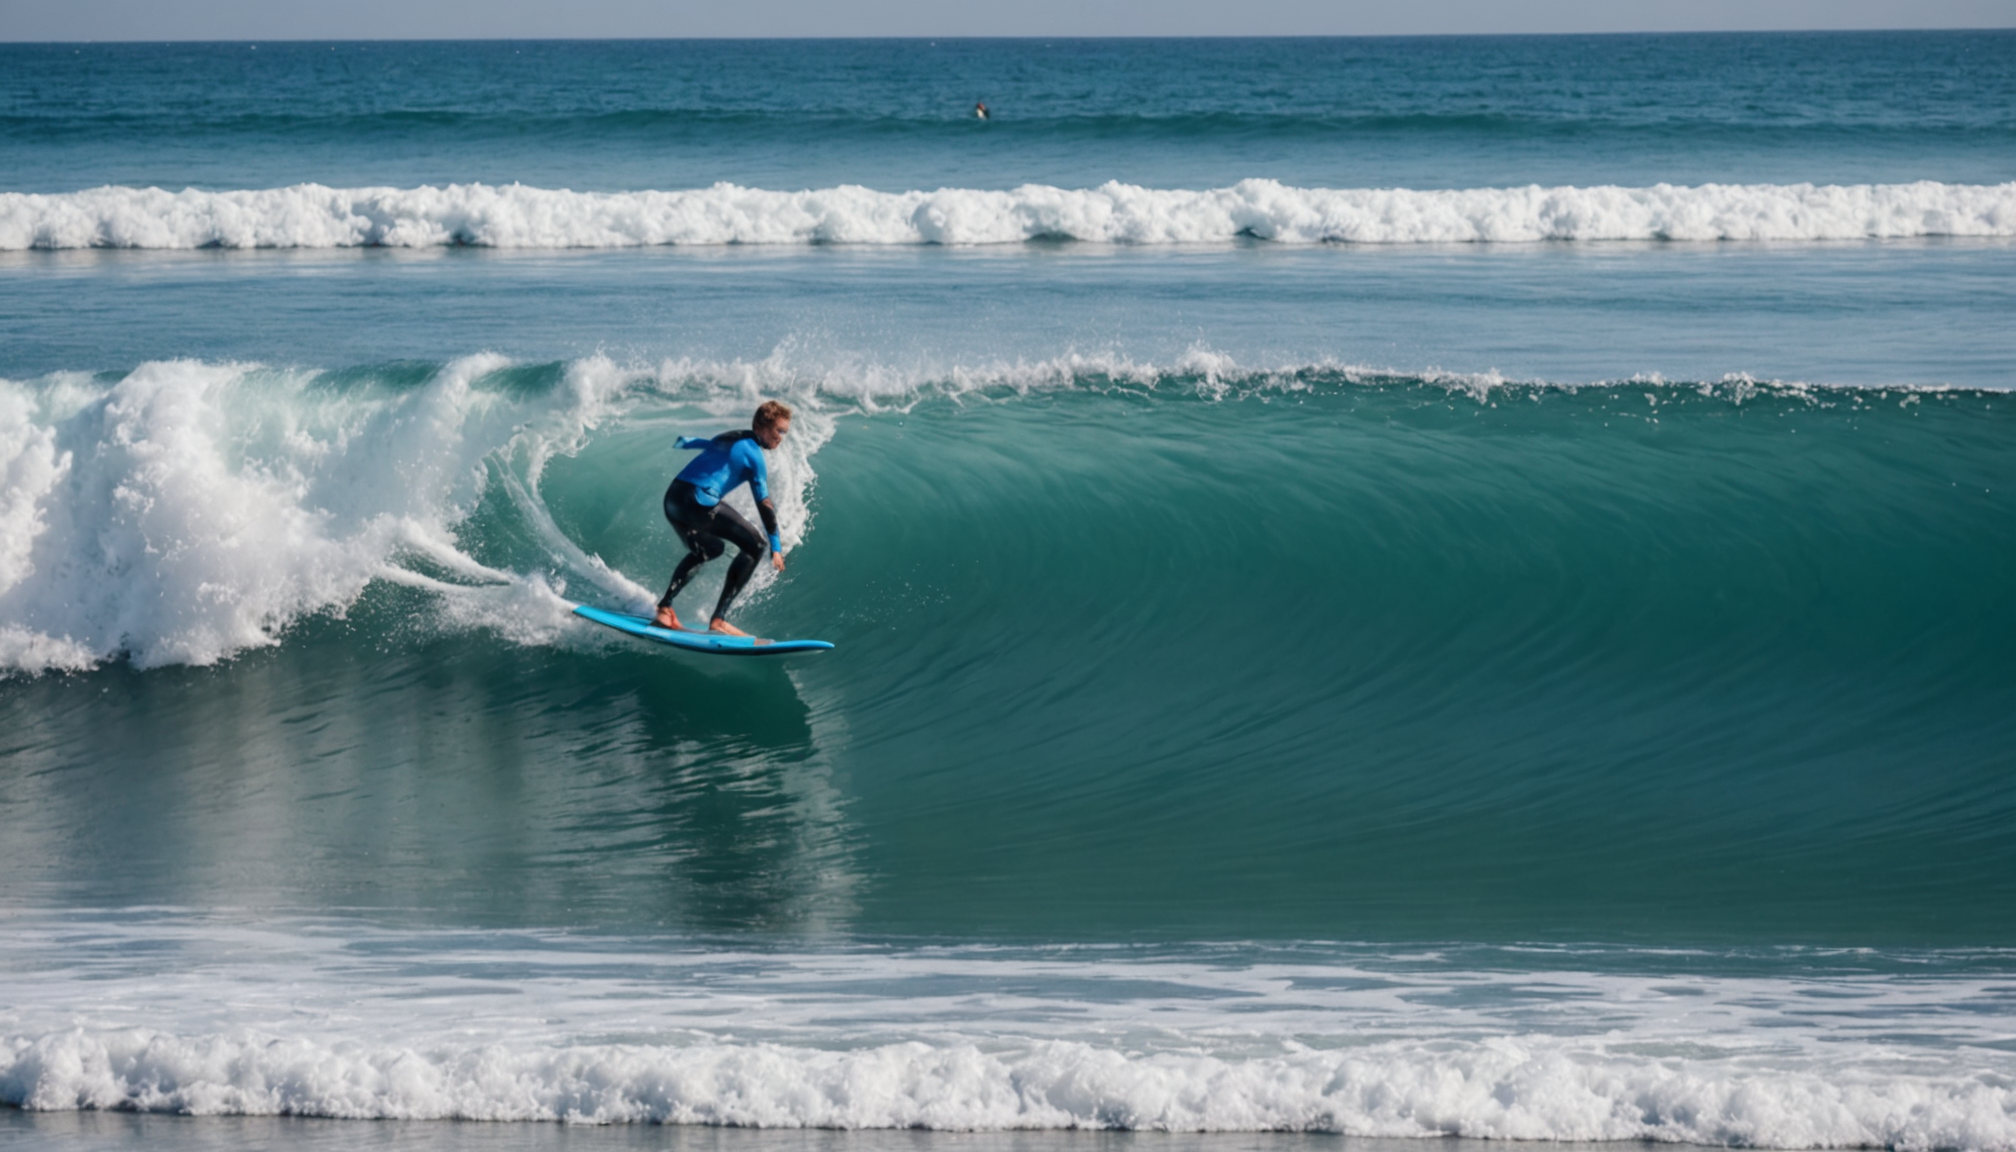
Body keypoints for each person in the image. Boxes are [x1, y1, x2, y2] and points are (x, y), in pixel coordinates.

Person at [652, 401, 792, 636]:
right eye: (779, 431)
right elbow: (764, 503)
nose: (781, 438)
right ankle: (719, 619)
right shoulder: (753, 454)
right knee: (756, 545)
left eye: (785, 432)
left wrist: (682, 442)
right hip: (698, 500)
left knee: (710, 549)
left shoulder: (728, 437)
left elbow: (701, 443)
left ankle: (664, 608)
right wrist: (775, 547)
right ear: (760, 427)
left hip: (674, 499)